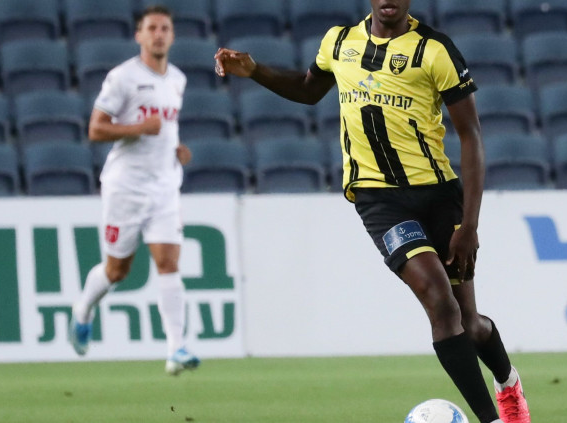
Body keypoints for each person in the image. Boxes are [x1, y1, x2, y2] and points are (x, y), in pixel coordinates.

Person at [213, 0, 530, 421]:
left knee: (469, 324)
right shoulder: (338, 42)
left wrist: (469, 225)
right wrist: (256, 71)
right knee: (440, 303)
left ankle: (508, 383)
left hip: (439, 196)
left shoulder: (435, 50)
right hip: (380, 200)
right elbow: (308, 90)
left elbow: (470, 136)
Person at [68, 5, 200, 376]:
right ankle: (83, 309)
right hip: (125, 187)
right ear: (139, 35)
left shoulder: (177, 79)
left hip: (164, 186)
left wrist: (175, 148)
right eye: (152, 28)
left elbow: (165, 126)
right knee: (117, 270)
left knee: (168, 262)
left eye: (165, 28)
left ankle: (176, 349)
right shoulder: (123, 77)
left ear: (172, 36)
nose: (158, 34)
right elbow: (96, 129)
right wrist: (138, 129)